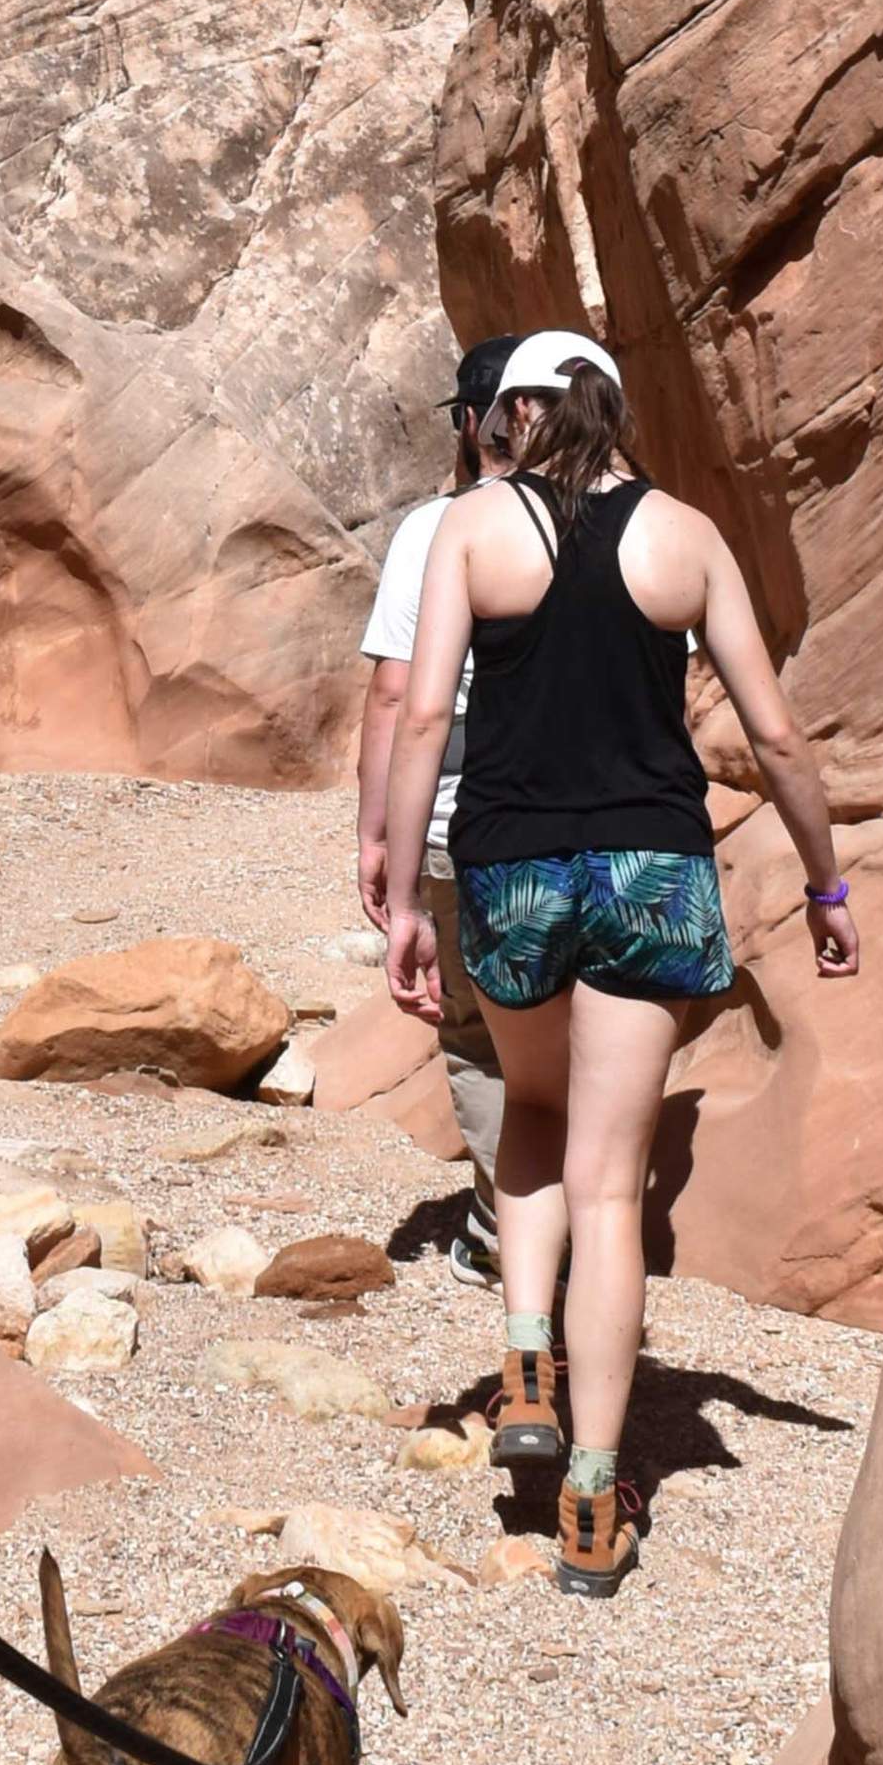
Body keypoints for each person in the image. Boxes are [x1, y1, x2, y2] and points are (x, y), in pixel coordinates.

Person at [381, 327, 853, 1599]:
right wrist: (825, 881)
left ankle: (524, 1353)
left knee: (531, 1109)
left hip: (513, 869)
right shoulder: (687, 538)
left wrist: (397, 888)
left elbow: (426, 713)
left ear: (520, 416)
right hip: (650, 871)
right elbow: (777, 735)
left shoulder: (469, 534)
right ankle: (594, 1499)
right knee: (614, 1185)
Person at [355, 336, 518, 1273]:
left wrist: (379, 836)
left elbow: (395, 697)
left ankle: (508, 1234)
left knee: (479, 1033)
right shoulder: (619, 520)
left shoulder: (433, 531)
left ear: (469, 421)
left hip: (464, 810)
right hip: (601, 811)